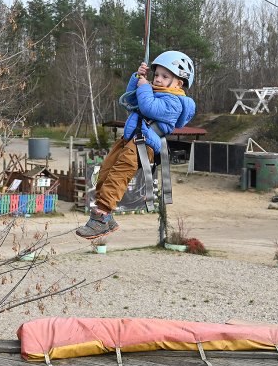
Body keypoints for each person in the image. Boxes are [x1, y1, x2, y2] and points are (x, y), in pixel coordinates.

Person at [76, 51, 196, 239]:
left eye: (165, 76)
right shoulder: (152, 91)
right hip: (129, 139)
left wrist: (144, 87)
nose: (157, 79)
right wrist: (138, 78)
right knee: (105, 173)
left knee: (118, 174)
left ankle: (102, 213)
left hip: (143, 144)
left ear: (179, 83)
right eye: (156, 75)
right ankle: (106, 217)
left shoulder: (175, 103)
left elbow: (149, 108)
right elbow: (129, 99)